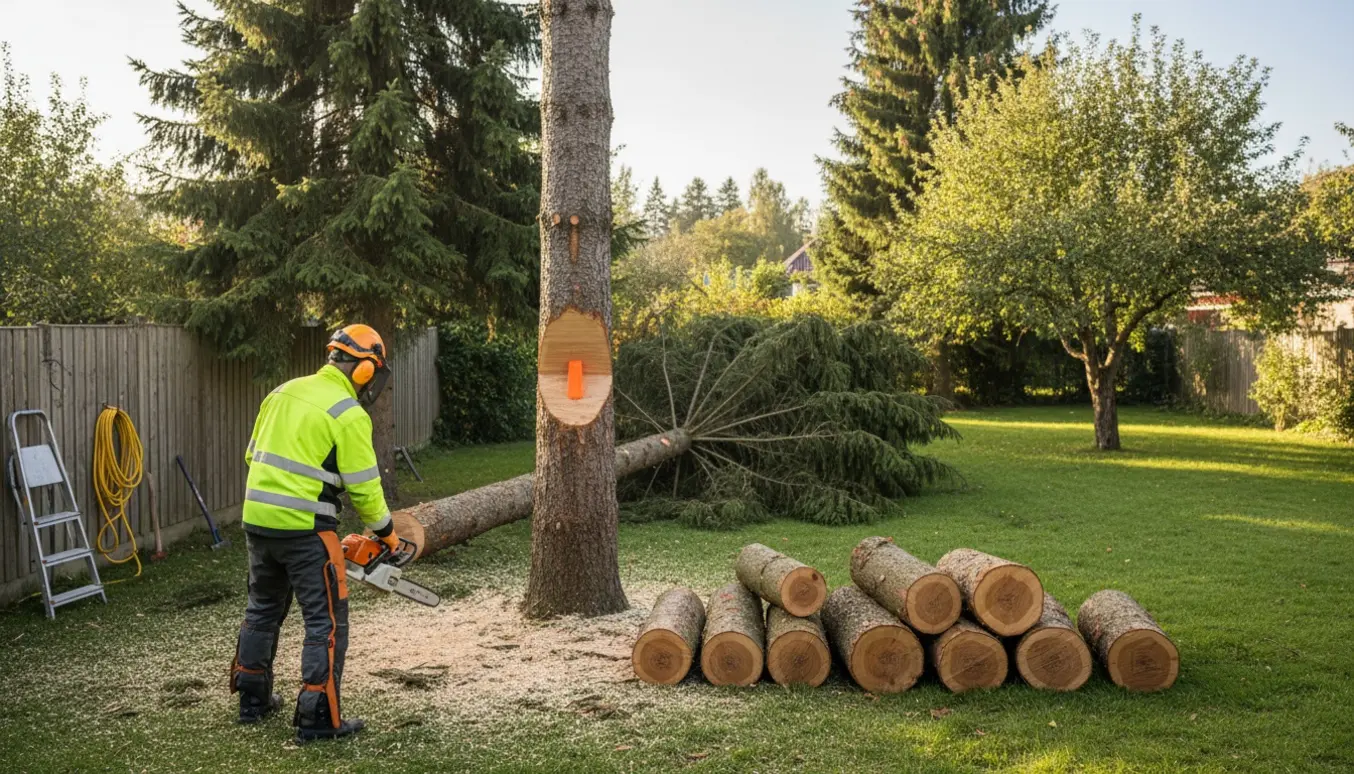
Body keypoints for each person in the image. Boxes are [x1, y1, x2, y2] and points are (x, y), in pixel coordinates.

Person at [229, 324, 397, 743]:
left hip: (258, 525)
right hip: (306, 531)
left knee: (262, 609)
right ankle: (317, 717)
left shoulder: (282, 392)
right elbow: (364, 488)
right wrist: (387, 534)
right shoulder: (348, 413)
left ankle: (251, 700)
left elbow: (252, 455)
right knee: (325, 622)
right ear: (364, 369)